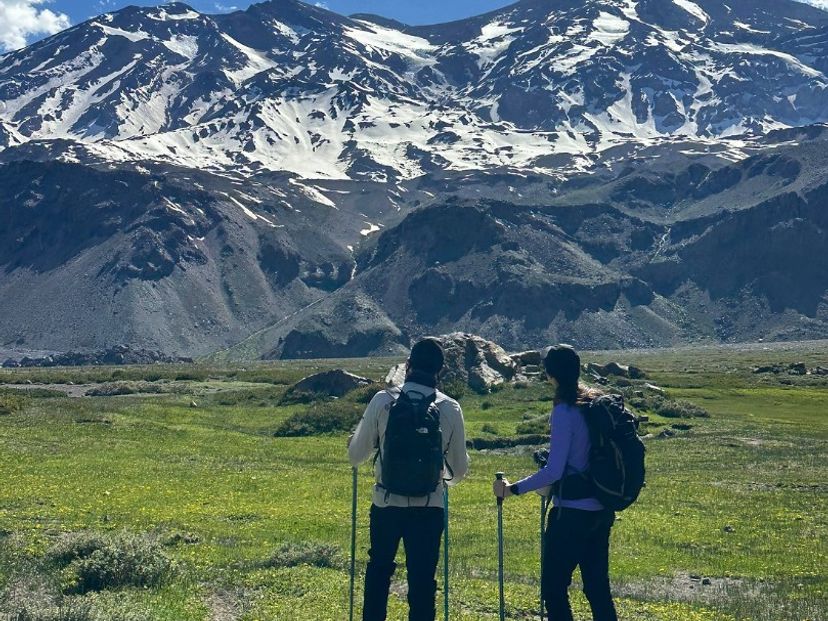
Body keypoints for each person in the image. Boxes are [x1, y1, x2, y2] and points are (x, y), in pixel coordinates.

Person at [493, 344, 618, 621]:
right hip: (601, 508)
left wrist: (513, 489)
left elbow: (554, 471)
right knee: (597, 588)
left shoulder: (564, 411)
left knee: (554, 588)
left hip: (571, 513)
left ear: (550, 374)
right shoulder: (593, 402)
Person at [349, 338, 469, 621]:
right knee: (423, 582)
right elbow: (459, 471)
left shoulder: (383, 401)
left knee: (379, 571)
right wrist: (439, 477)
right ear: (440, 370)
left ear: (408, 365)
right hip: (429, 508)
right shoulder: (450, 408)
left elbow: (356, 455)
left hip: (386, 503)